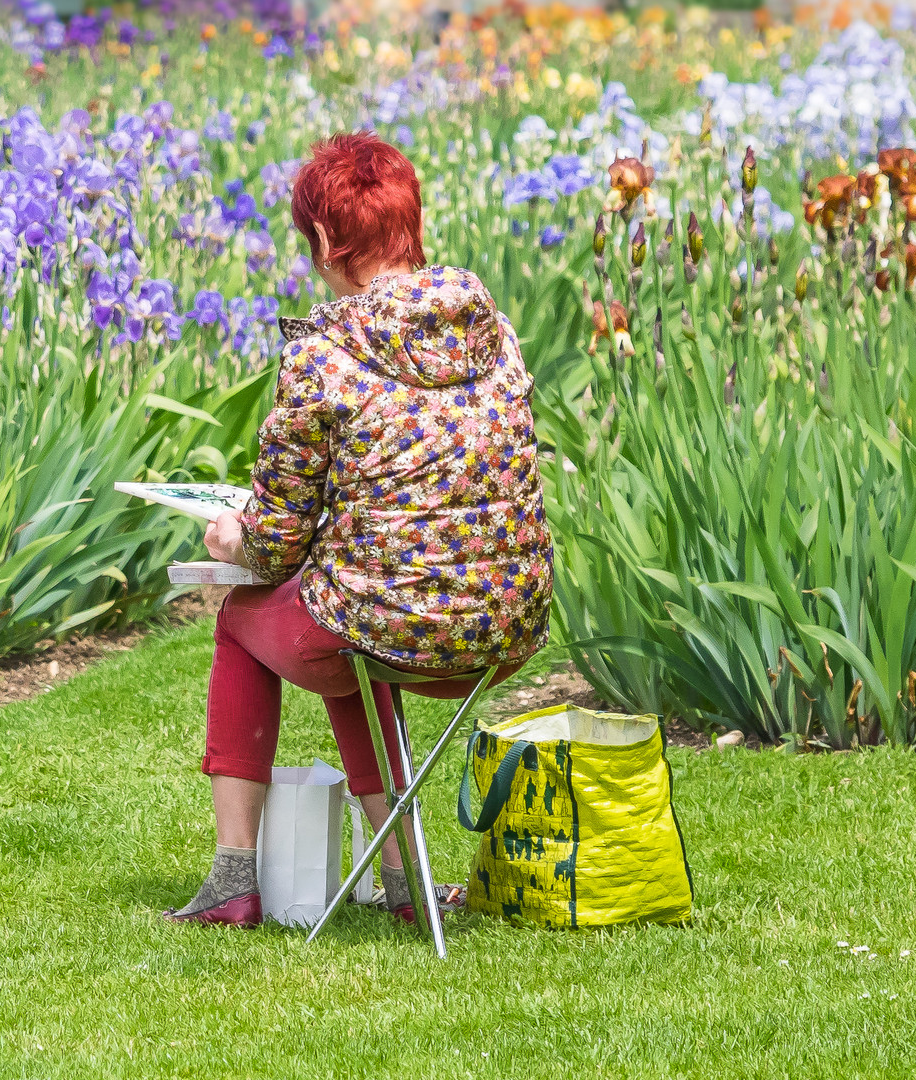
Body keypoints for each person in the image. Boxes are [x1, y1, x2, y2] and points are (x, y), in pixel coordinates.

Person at [167, 133, 553, 928]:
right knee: (356, 606)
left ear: (322, 240)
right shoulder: (496, 337)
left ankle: (233, 879)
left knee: (252, 621)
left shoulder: (325, 355)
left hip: (392, 627)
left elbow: (274, 543)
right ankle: (403, 878)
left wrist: (230, 538)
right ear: (410, 225)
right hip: (505, 627)